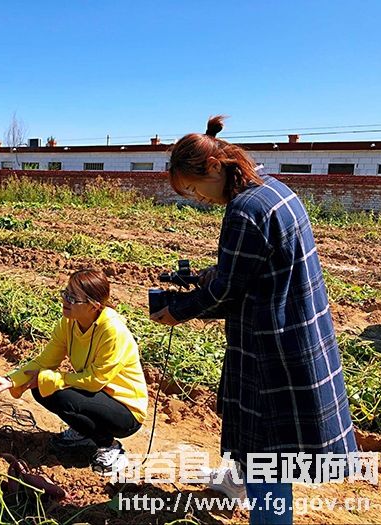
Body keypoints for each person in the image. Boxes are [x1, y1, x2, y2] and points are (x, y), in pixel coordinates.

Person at [151, 116, 357, 524]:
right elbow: (252, 269)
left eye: (193, 187)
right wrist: (212, 276)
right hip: (298, 334)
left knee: (266, 455)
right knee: (273, 453)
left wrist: (177, 310)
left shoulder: (244, 211)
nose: (197, 197)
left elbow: (227, 291)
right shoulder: (274, 191)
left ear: (213, 168)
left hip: (270, 351)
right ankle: (241, 484)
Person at [0, 269, 148, 476]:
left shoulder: (113, 332)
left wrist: (51, 378)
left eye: (72, 297)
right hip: (98, 397)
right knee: (42, 388)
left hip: (126, 412)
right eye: (65, 293)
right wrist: (10, 381)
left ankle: (109, 447)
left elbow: (95, 380)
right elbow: (45, 361)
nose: (65, 300)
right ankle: (84, 433)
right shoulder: (68, 324)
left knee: (54, 389)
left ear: (93, 305)